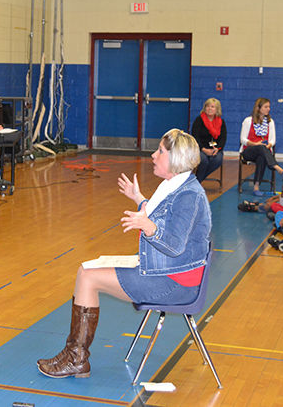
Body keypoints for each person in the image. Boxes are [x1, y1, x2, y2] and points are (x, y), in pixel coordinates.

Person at [37, 128, 211, 379]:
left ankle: (76, 358)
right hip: (170, 273)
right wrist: (139, 199)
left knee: (87, 276)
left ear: (175, 158)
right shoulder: (179, 186)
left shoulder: (189, 196)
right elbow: (160, 216)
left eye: (160, 151)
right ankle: (74, 355)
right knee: (88, 269)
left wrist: (148, 227)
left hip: (174, 283)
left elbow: (173, 245)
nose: (153, 155)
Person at [240, 97, 283, 195]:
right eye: (266, 107)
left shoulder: (270, 122)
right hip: (249, 150)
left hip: (263, 151)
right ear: (258, 108)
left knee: (261, 157)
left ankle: (256, 187)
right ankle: (277, 167)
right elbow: (243, 139)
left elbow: (272, 140)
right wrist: (255, 144)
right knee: (260, 147)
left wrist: (269, 145)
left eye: (269, 107)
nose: (268, 109)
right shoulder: (248, 121)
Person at [190, 98, 227, 183]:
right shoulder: (199, 120)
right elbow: (195, 137)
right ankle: (197, 182)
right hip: (201, 148)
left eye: (212, 107)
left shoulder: (221, 122)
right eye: (207, 106)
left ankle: (197, 180)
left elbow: (223, 138)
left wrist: (217, 149)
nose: (209, 108)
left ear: (217, 109)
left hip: (215, 149)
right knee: (203, 160)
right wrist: (203, 149)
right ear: (204, 108)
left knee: (217, 160)